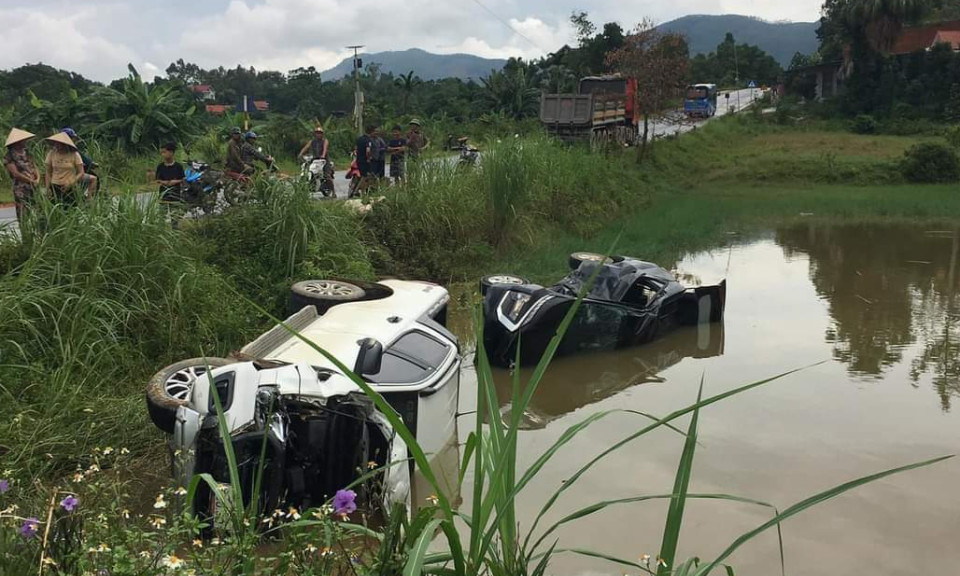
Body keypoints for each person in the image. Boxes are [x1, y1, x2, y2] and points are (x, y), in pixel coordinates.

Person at [3, 128, 40, 225]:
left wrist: (37, 178)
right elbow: (15, 174)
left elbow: (35, 166)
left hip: (33, 185)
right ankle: (25, 236)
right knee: (23, 213)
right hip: (20, 187)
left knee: (39, 210)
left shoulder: (27, 152)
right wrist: (30, 180)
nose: (25, 142)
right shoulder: (9, 156)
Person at [44, 132, 86, 207]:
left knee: (70, 207)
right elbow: (48, 172)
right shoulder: (51, 153)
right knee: (55, 208)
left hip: (70, 186)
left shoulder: (74, 154)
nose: (57, 145)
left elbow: (81, 172)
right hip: (55, 185)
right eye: (56, 143)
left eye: (60, 143)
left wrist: (71, 183)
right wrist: (48, 188)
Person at [61, 127, 99, 194]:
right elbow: (87, 162)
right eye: (73, 138)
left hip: (58, 174)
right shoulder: (73, 150)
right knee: (94, 179)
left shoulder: (55, 150)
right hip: (71, 174)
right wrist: (94, 165)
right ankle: (89, 200)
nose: (74, 140)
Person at [355, 124, 376, 193]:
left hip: (359, 160)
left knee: (364, 176)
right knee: (365, 177)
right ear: (372, 132)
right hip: (365, 161)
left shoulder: (360, 139)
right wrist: (369, 158)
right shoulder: (368, 140)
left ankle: (364, 192)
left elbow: (356, 149)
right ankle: (357, 191)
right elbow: (368, 151)